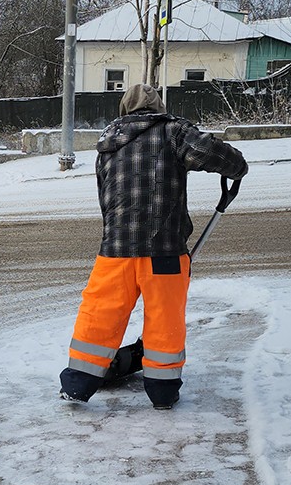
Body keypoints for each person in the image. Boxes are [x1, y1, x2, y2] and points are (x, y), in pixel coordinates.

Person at [59, 83, 248, 410]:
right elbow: (210, 152)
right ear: (157, 107)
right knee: (165, 318)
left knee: (99, 314)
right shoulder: (172, 131)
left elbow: (106, 199)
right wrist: (238, 166)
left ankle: (77, 384)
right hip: (165, 252)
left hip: (115, 249)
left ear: (124, 111)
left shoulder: (107, 142)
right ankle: (162, 392)